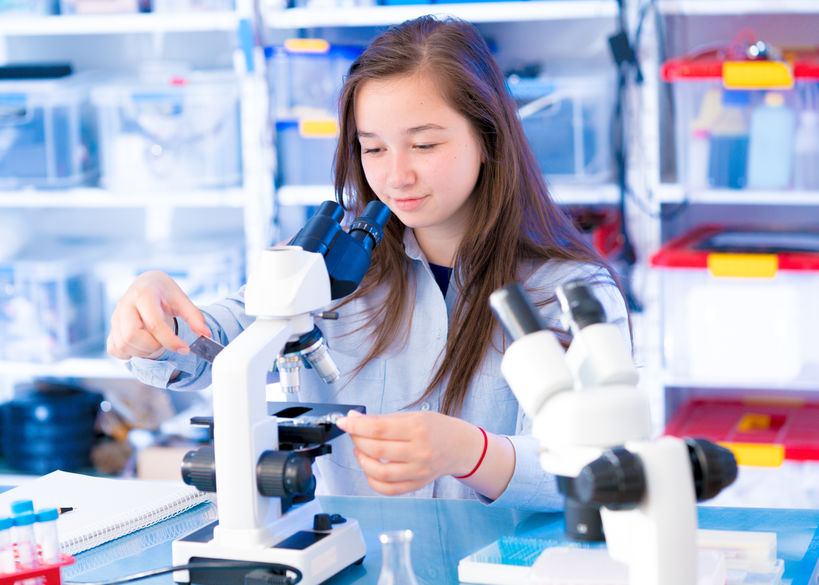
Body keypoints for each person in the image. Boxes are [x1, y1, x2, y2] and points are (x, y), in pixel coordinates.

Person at [107, 15, 630, 511]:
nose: (396, 176)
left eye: (423, 144)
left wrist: (472, 454)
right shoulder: (328, 261)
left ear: (488, 137)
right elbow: (214, 346)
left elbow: (601, 470)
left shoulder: (570, 291)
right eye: (373, 149)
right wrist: (156, 322)